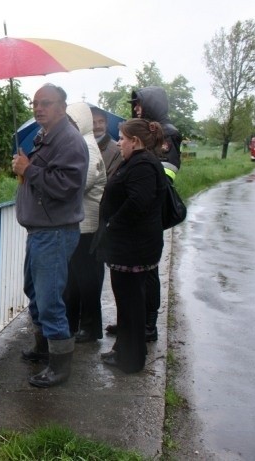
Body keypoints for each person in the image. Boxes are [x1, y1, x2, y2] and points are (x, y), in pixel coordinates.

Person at [11, 84, 88, 388]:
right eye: (35, 103)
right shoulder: (45, 137)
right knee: (34, 290)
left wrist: (29, 170)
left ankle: (59, 366)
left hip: (54, 232)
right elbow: (42, 175)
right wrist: (25, 168)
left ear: (62, 106)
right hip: (40, 231)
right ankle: (43, 347)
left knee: (49, 299)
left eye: (46, 103)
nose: (38, 108)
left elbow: (66, 186)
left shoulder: (69, 140)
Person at [105, 86, 182, 341]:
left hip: (151, 212)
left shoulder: (167, 133)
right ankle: (128, 321)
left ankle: (148, 323)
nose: (136, 108)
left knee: (147, 274)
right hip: (142, 211)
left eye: (139, 104)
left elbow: (169, 169)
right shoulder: (143, 130)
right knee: (132, 278)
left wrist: (141, 173)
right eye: (135, 105)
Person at [96, 118, 166, 373]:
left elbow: (138, 202)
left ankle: (132, 359)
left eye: (122, 138)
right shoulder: (138, 162)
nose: (119, 142)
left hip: (133, 249)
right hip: (129, 248)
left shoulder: (143, 165)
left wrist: (112, 224)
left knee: (131, 303)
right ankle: (123, 350)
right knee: (126, 302)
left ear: (135, 141)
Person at [64, 102, 107, 344]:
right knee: (77, 279)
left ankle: (89, 328)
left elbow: (79, 184)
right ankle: (79, 324)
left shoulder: (87, 146)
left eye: (71, 121)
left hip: (86, 226)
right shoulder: (85, 144)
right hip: (81, 224)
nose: (68, 125)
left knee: (86, 280)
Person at [90, 105, 122, 178]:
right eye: (93, 122)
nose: (97, 126)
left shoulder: (116, 149)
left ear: (106, 123)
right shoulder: (80, 145)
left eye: (101, 121)